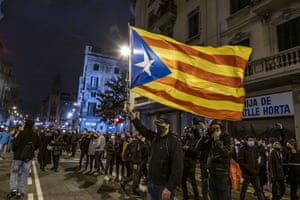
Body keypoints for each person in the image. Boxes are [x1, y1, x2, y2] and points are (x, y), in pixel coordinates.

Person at [125, 105, 183, 200]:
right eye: (157, 124)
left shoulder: (174, 142)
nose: (159, 126)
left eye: (161, 124)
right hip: (152, 183)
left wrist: (169, 187)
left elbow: (178, 166)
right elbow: (142, 129)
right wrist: (133, 118)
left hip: (164, 186)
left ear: (168, 125)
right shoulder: (155, 138)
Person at [7, 119, 39, 199]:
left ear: (26, 124)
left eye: (24, 123)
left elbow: (14, 146)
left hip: (18, 157)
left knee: (14, 173)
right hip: (28, 158)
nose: (23, 124)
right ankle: (20, 192)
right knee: (24, 175)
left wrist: (14, 139)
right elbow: (37, 146)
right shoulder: (35, 135)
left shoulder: (21, 133)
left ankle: (13, 189)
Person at [204, 119, 232, 200]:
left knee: (223, 197)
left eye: (217, 129)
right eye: (213, 129)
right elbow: (197, 149)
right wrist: (204, 137)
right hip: (211, 174)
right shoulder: (210, 139)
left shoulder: (226, 138)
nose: (215, 131)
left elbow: (228, 154)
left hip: (222, 174)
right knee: (213, 197)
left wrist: (217, 141)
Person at [238, 135, 265, 200]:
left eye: (252, 140)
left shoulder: (255, 148)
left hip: (255, 173)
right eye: (250, 140)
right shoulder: (242, 149)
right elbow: (240, 161)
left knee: (258, 189)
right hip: (247, 174)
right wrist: (248, 169)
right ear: (246, 141)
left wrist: (256, 170)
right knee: (244, 189)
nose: (251, 142)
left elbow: (257, 159)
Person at [181, 127, 200, 200]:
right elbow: (180, 148)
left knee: (193, 181)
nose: (187, 134)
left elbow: (196, 152)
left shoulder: (195, 141)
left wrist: (188, 148)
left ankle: (196, 197)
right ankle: (185, 197)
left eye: (189, 132)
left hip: (191, 163)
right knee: (183, 181)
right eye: (186, 132)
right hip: (184, 163)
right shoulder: (185, 140)